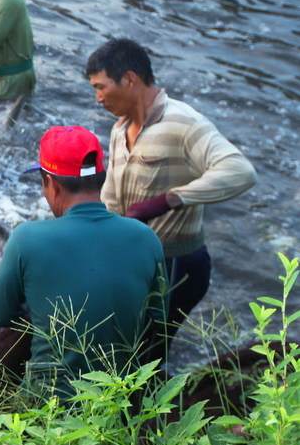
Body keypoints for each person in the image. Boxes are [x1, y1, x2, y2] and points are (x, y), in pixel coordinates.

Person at [85, 38, 257, 340]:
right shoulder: (119, 128)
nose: (98, 98)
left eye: (101, 87)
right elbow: (111, 199)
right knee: (119, 339)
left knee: (148, 349)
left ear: (129, 79)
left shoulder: (185, 123)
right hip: (134, 257)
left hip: (174, 264)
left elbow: (240, 171)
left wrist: (168, 201)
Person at [0, 126, 167, 397]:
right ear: (102, 179)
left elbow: (1, 315)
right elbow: (157, 317)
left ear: (52, 184)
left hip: (46, 401)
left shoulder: (26, 238)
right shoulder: (146, 237)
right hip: (117, 400)